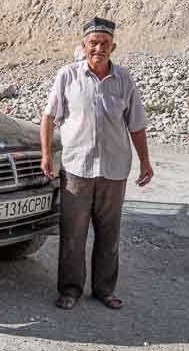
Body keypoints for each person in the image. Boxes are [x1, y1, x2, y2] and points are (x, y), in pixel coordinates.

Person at [40, 17, 153, 310]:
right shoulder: (68, 75)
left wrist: (145, 162)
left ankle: (104, 290)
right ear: (83, 46)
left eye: (104, 44)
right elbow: (49, 117)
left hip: (114, 170)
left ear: (113, 47)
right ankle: (70, 290)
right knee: (73, 234)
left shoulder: (124, 79)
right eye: (93, 43)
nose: (99, 48)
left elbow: (136, 125)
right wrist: (45, 155)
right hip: (77, 168)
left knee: (109, 234)